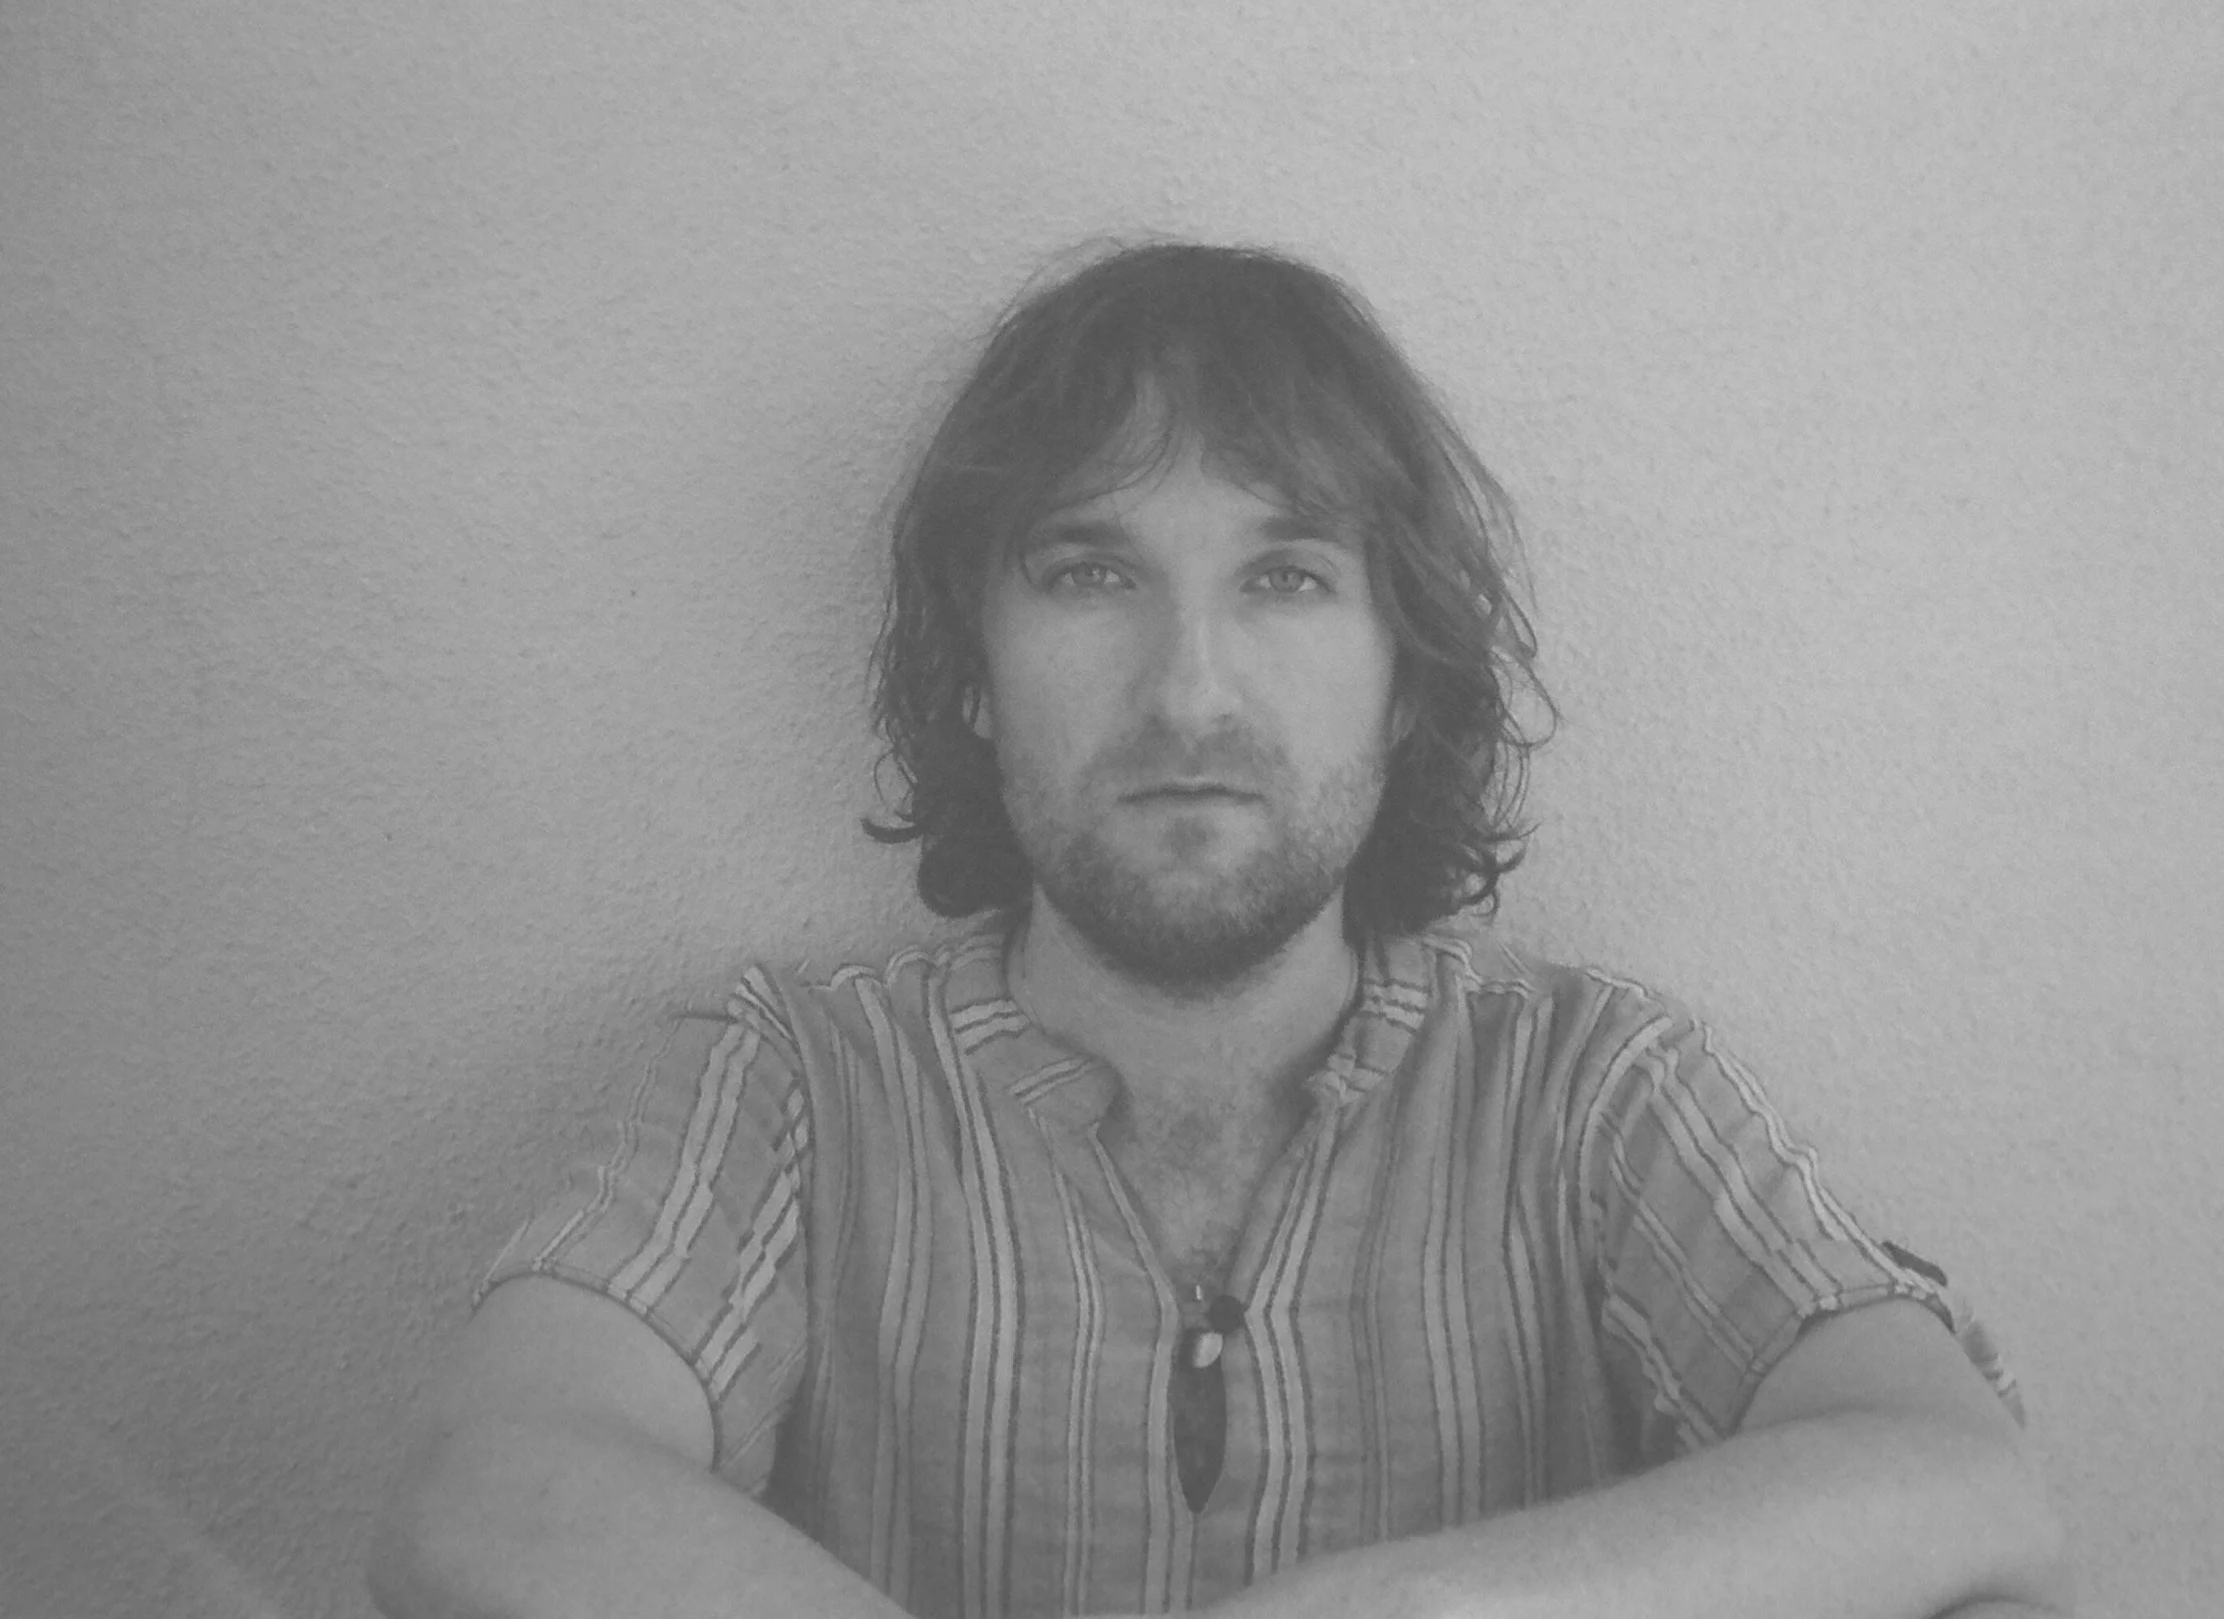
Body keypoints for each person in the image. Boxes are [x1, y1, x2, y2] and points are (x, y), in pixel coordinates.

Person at [368, 241, 2069, 1619]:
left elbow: (1962, 1485)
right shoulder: (794, 1080)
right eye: (1090, 574)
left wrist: (1417, 1606)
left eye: (1286, 577)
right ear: (973, 670)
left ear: (1405, 679)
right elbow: (483, 1497)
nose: (1189, 690)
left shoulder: (1591, 1087)